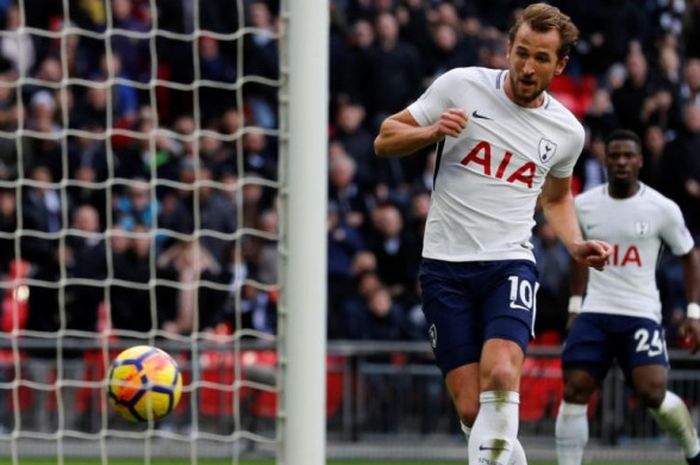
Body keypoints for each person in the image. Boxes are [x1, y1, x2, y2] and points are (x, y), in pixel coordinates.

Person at [373, 4, 611, 465]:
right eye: (521, 52)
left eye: (541, 58)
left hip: (509, 263)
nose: (526, 66)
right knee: (470, 408)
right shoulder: (461, 85)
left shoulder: (567, 132)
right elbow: (385, 138)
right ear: (508, 48)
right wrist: (431, 131)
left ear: (560, 65)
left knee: (501, 375)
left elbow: (556, 198)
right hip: (443, 266)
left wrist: (575, 244)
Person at [555, 129, 700, 465]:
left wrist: (694, 312)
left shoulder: (661, 208)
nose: (621, 162)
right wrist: (575, 305)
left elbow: (689, 254)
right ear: (605, 160)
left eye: (628, 156)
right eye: (615, 155)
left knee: (653, 392)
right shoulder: (585, 204)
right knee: (575, 389)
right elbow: (579, 256)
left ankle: (693, 450)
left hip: (640, 312)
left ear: (640, 161)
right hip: (595, 311)